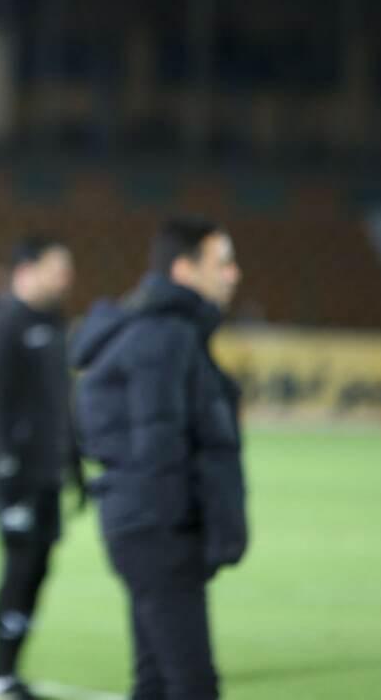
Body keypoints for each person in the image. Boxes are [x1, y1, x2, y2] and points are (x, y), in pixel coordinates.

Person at [70, 217, 248, 700]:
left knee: (156, 682)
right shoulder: (164, 334)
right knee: (191, 685)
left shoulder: (165, 328)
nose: (233, 274)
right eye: (222, 263)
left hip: (149, 524)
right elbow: (158, 440)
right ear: (184, 269)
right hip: (159, 528)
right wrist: (180, 531)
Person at [0, 239, 78, 700]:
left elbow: (60, 403)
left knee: (37, 568)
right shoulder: (5, 321)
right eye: (57, 268)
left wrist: (74, 463)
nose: (66, 278)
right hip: (17, 477)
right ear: (28, 270)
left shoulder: (54, 322)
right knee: (20, 567)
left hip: (49, 473)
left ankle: (11, 674)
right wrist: (6, 471)